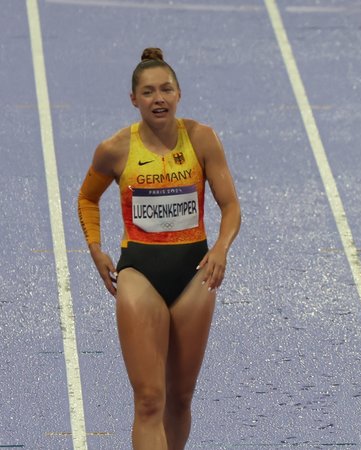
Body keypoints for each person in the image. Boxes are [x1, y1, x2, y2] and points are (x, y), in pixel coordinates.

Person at [77, 48, 241, 449]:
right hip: (140, 273)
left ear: (179, 94)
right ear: (134, 100)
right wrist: (96, 248)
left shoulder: (202, 139)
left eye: (166, 89)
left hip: (195, 272)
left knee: (180, 399)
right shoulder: (115, 149)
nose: (159, 98)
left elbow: (231, 206)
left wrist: (220, 248)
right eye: (148, 92)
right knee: (150, 400)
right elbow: (87, 198)